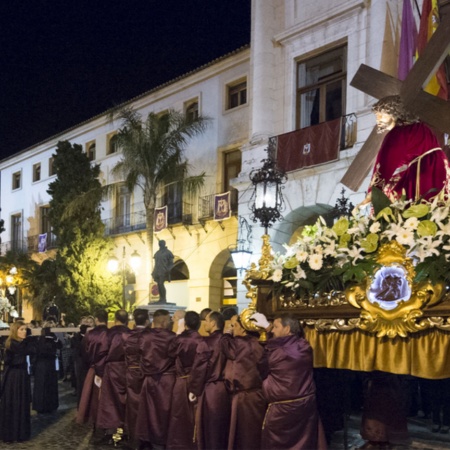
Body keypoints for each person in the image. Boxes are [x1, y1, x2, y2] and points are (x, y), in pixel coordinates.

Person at [251, 311, 327, 450]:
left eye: (275, 327)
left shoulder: (276, 352)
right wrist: (268, 328)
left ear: (287, 329)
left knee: (277, 444)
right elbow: (287, 341)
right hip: (306, 404)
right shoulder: (304, 346)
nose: (272, 330)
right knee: (304, 443)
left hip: (283, 409)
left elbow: (261, 368)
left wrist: (266, 333)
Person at [359, 95, 450, 207]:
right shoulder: (421, 127)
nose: (378, 119)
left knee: (398, 200)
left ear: (394, 113)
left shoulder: (398, 133)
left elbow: (384, 164)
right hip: (441, 167)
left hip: (425, 170)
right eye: (377, 116)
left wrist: (373, 193)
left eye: (381, 115)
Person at [222, 314, 266, 450]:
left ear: (243, 329)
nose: (232, 329)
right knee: (255, 431)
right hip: (258, 394)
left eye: (234, 326)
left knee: (242, 434)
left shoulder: (239, 343)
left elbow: (224, 346)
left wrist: (226, 334)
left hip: (243, 396)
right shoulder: (259, 342)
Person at [189, 311, 231, 450]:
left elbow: (199, 368)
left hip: (210, 390)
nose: (204, 323)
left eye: (206, 320)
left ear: (213, 323)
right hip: (225, 389)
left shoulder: (206, 342)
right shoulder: (228, 341)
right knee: (223, 427)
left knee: (210, 427)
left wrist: (194, 389)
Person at [136, 309, 176, 449]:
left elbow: (139, 355)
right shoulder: (172, 337)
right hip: (167, 381)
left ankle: (149, 440)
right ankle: (164, 440)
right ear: (164, 321)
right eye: (169, 320)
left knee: (150, 412)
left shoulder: (144, 336)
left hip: (150, 379)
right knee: (165, 412)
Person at [167, 311, 203, 450]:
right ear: (199, 324)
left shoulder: (179, 340)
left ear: (185, 324)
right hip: (198, 380)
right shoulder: (202, 340)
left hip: (181, 381)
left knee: (179, 415)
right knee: (195, 415)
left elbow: (170, 353)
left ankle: (179, 445)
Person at [96, 309, 130, 443]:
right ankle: (126, 431)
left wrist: (99, 371)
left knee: (109, 401)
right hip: (127, 369)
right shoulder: (130, 333)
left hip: (111, 369)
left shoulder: (109, 334)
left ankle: (110, 433)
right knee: (127, 401)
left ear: (115, 319)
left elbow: (101, 352)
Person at [0, 321, 35, 443]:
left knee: (21, 402)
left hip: (21, 376)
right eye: (21, 329)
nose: (24, 331)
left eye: (25, 329)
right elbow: (25, 350)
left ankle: (20, 432)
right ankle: (11, 433)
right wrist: (29, 339)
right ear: (15, 331)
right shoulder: (13, 344)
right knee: (13, 403)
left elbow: (32, 350)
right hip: (14, 377)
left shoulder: (21, 343)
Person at [76, 309, 109, 427]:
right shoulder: (111, 334)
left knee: (92, 398)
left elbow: (83, 352)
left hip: (93, 368)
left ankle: (94, 422)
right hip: (108, 370)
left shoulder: (90, 334)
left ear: (96, 320)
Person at [122, 309, 149, 446]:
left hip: (131, 373)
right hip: (147, 374)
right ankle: (145, 437)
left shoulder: (127, 336)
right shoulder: (150, 336)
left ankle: (133, 437)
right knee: (148, 407)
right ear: (147, 321)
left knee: (132, 406)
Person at [32, 326, 62, 413]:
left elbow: (60, 345)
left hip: (49, 364)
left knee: (49, 384)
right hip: (42, 364)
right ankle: (41, 406)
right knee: (42, 385)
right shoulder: (39, 338)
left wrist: (54, 339)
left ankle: (49, 405)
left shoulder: (52, 337)